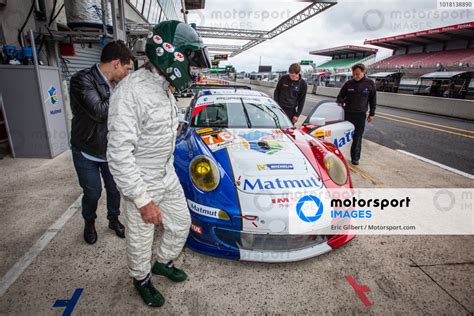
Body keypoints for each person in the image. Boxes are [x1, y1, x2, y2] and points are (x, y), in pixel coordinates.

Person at [107, 20, 211, 308]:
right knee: (141, 240)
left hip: (166, 174)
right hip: (142, 181)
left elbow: (165, 126)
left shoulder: (163, 86)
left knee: (180, 224)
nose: (192, 70)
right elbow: (118, 155)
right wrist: (142, 200)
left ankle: (163, 262)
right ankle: (141, 279)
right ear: (171, 54)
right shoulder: (130, 92)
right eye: (189, 61)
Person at [70, 40, 133, 244]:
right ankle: (89, 222)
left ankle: (113, 220)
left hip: (110, 149)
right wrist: (123, 93)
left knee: (114, 190)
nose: (128, 73)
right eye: (127, 68)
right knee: (93, 191)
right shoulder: (82, 80)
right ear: (116, 63)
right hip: (86, 149)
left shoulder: (118, 83)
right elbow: (99, 111)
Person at [336, 63, 376, 166]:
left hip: (360, 115)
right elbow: (339, 97)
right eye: (354, 74)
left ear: (363, 72)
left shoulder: (370, 83)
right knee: (341, 136)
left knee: (357, 138)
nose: (355, 76)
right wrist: (341, 102)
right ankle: (337, 155)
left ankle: (355, 158)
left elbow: (373, 100)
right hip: (347, 114)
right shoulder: (348, 83)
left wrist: (372, 114)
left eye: (357, 74)